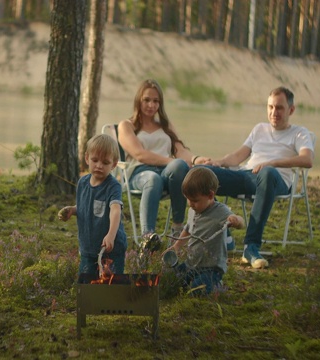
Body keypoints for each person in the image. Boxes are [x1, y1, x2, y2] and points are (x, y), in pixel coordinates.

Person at [197, 86, 315, 269]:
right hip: (247, 176)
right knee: (203, 173)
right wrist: (218, 162)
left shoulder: (299, 133)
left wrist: (272, 163)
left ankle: (251, 247)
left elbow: (307, 159)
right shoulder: (259, 129)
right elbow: (238, 157)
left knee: (267, 173)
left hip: (275, 180)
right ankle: (223, 234)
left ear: (291, 110)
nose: (274, 112)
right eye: (270, 107)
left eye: (279, 108)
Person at [117, 79, 204, 243]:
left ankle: (177, 229)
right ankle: (147, 238)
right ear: (138, 100)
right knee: (154, 177)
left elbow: (179, 150)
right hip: (139, 174)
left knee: (179, 165)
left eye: (156, 101)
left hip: (165, 174)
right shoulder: (126, 125)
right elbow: (140, 154)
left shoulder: (165, 125)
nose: (151, 105)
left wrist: (195, 159)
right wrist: (169, 161)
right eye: (147, 100)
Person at [162, 167, 245, 295]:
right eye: (188, 199)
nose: (190, 204)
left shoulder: (220, 211)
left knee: (197, 290)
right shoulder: (193, 210)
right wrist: (176, 246)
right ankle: (195, 282)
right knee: (172, 281)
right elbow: (188, 230)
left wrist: (236, 221)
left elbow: (242, 223)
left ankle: (215, 283)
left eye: (195, 200)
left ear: (210, 195)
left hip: (210, 268)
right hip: (191, 263)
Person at [58, 134, 127, 275]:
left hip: (110, 249)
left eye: (105, 162)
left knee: (111, 285)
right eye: (95, 160)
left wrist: (111, 235)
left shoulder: (113, 186)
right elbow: (86, 208)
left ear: (114, 164)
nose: (99, 166)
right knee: (86, 284)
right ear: (87, 158)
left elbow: (115, 211)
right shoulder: (82, 183)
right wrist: (73, 210)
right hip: (88, 248)